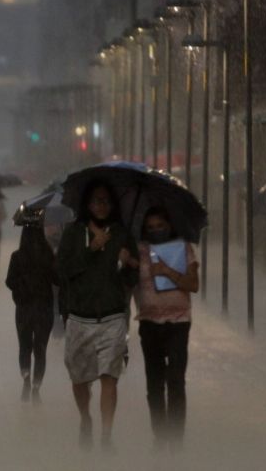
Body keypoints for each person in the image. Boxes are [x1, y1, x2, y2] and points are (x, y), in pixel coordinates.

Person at [57, 182, 139, 451]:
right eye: (96, 201)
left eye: (106, 201)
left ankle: (106, 435)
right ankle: (85, 419)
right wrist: (91, 248)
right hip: (80, 318)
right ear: (87, 205)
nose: (101, 206)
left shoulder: (122, 234)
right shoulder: (72, 233)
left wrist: (128, 263)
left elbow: (131, 278)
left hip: (113, 317)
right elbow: (62, 271)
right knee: (79, 378)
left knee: (109, 376)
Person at [132, 206, 199, 451]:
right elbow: (127, 285)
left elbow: (193, 284)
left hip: (179, 322)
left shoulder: (183, 248)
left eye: (160, 226)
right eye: (151, 228)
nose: (156, 231)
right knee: (155, 383)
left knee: (176, 380)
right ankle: (160, 436)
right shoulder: (138, 252)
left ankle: (176, 440)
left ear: (170, 226)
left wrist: (167, 271)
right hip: (149, 323)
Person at [5, 226, 57, 403]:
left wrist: (23, 285)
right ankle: (36, 387)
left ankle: (26, 377)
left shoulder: (17, 256)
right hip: (44, 308)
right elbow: (57, 279)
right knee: (40, 348)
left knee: (24, 346)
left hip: (24, 308)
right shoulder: (48, 255)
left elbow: (9, 281)